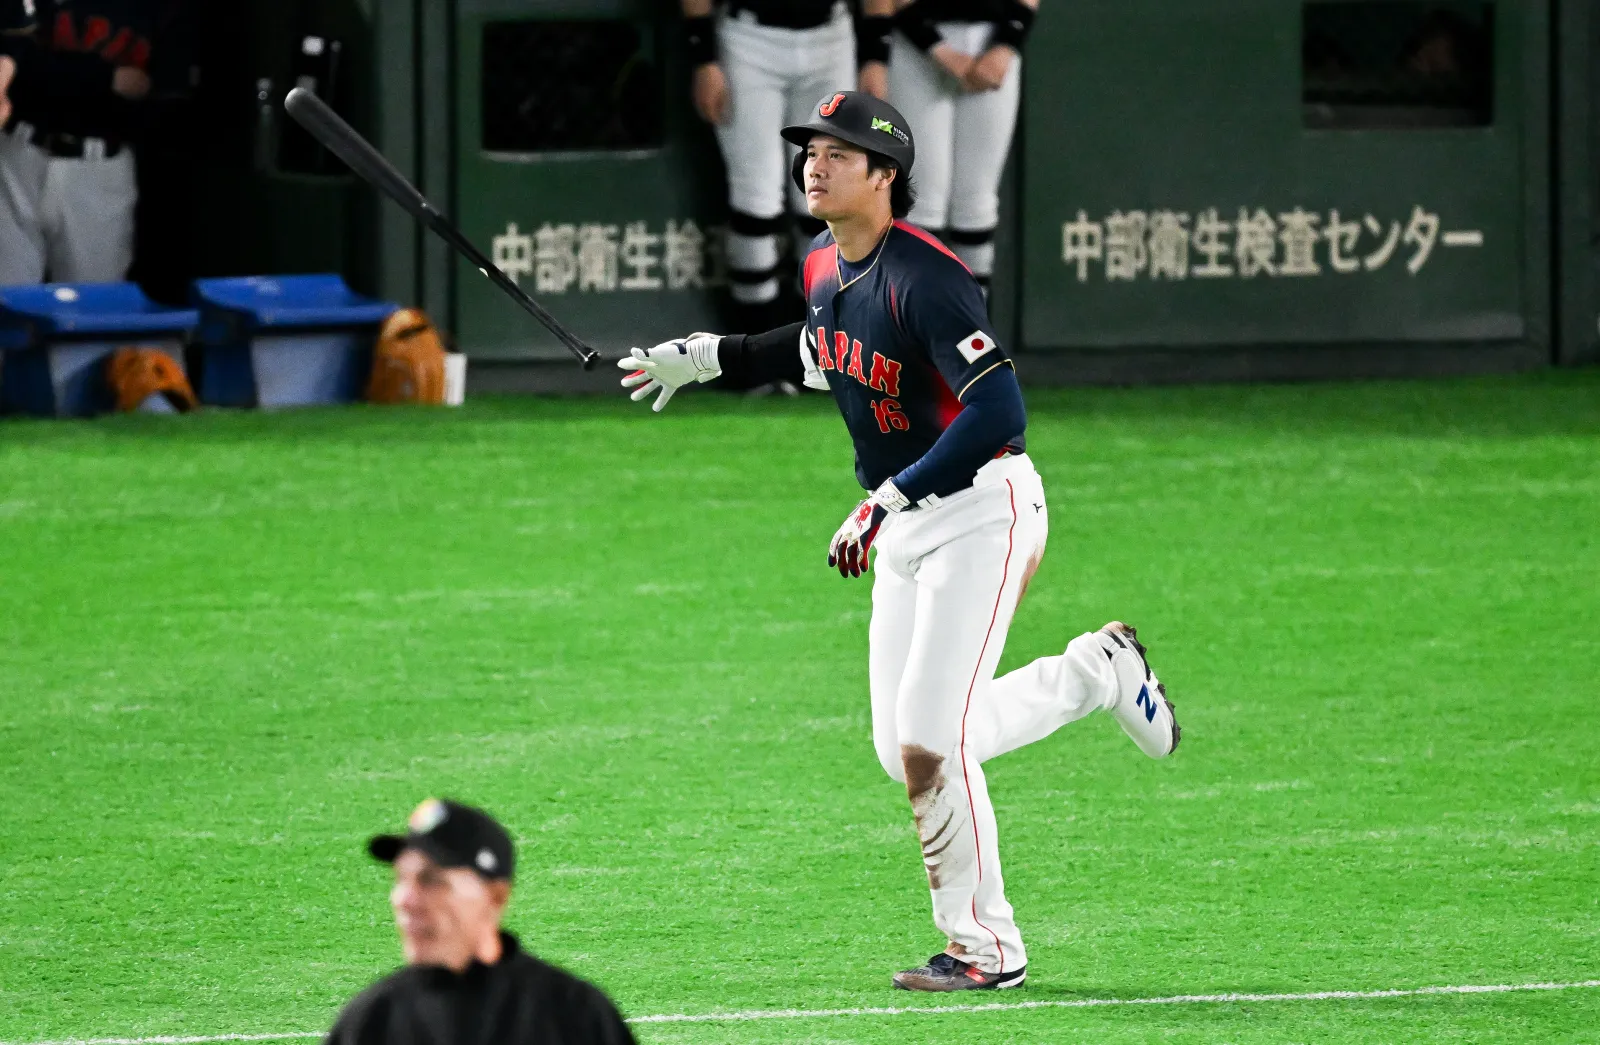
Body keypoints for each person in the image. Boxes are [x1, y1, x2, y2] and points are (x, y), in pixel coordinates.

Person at [616, 92, 1181, 992]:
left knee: (929, 739)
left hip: (982, 511)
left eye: (838, 153)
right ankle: (1097, 672)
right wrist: (706, 355)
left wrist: (891, 495)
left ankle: (986, 947)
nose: (814, 163)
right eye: (809, 149)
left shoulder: (928, 278)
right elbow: (816, 346)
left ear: (885, 175)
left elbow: (999, 408)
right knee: (907, 747)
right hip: (905, 521)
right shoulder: (821, 266)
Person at [324, 798, 637, 1045]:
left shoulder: (574, 1015)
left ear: (496, 895)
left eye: (431, 880)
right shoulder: (372, 1023)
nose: (404, 899)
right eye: (401, 879)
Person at [685, 0, 894, 330]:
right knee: (755, 200)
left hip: (831, 37)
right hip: (749, 37)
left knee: (824, 200)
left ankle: (812, 347)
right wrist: (703, 58)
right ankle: (754, 344)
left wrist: (876, 57)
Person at [886, 0, 1039, 295]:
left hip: (992, 43)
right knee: (919, 203)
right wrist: (939, 51)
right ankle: (911, 329)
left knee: (976, 205)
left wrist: (1006, 45)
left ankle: (969, 330)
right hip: (916, 45)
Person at [0, 0, 157, 286]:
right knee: (7, 299)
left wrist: (55, 73)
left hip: (100, 163)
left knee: (93, 303)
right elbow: (16, 58)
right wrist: (104, 77)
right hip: (19, 150)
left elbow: (151, 85)